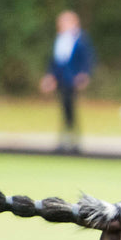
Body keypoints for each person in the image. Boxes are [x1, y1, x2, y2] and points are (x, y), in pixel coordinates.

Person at [40, 10, 96, 153]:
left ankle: (73, 140)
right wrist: (50, 77)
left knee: (70, 109)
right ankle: (65, 140)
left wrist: (84, 75)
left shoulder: (81, 39)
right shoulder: (60, 39)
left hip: (72, 80)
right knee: (64, 109)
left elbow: (87, 59)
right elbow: (56, 61)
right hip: (62, 79)